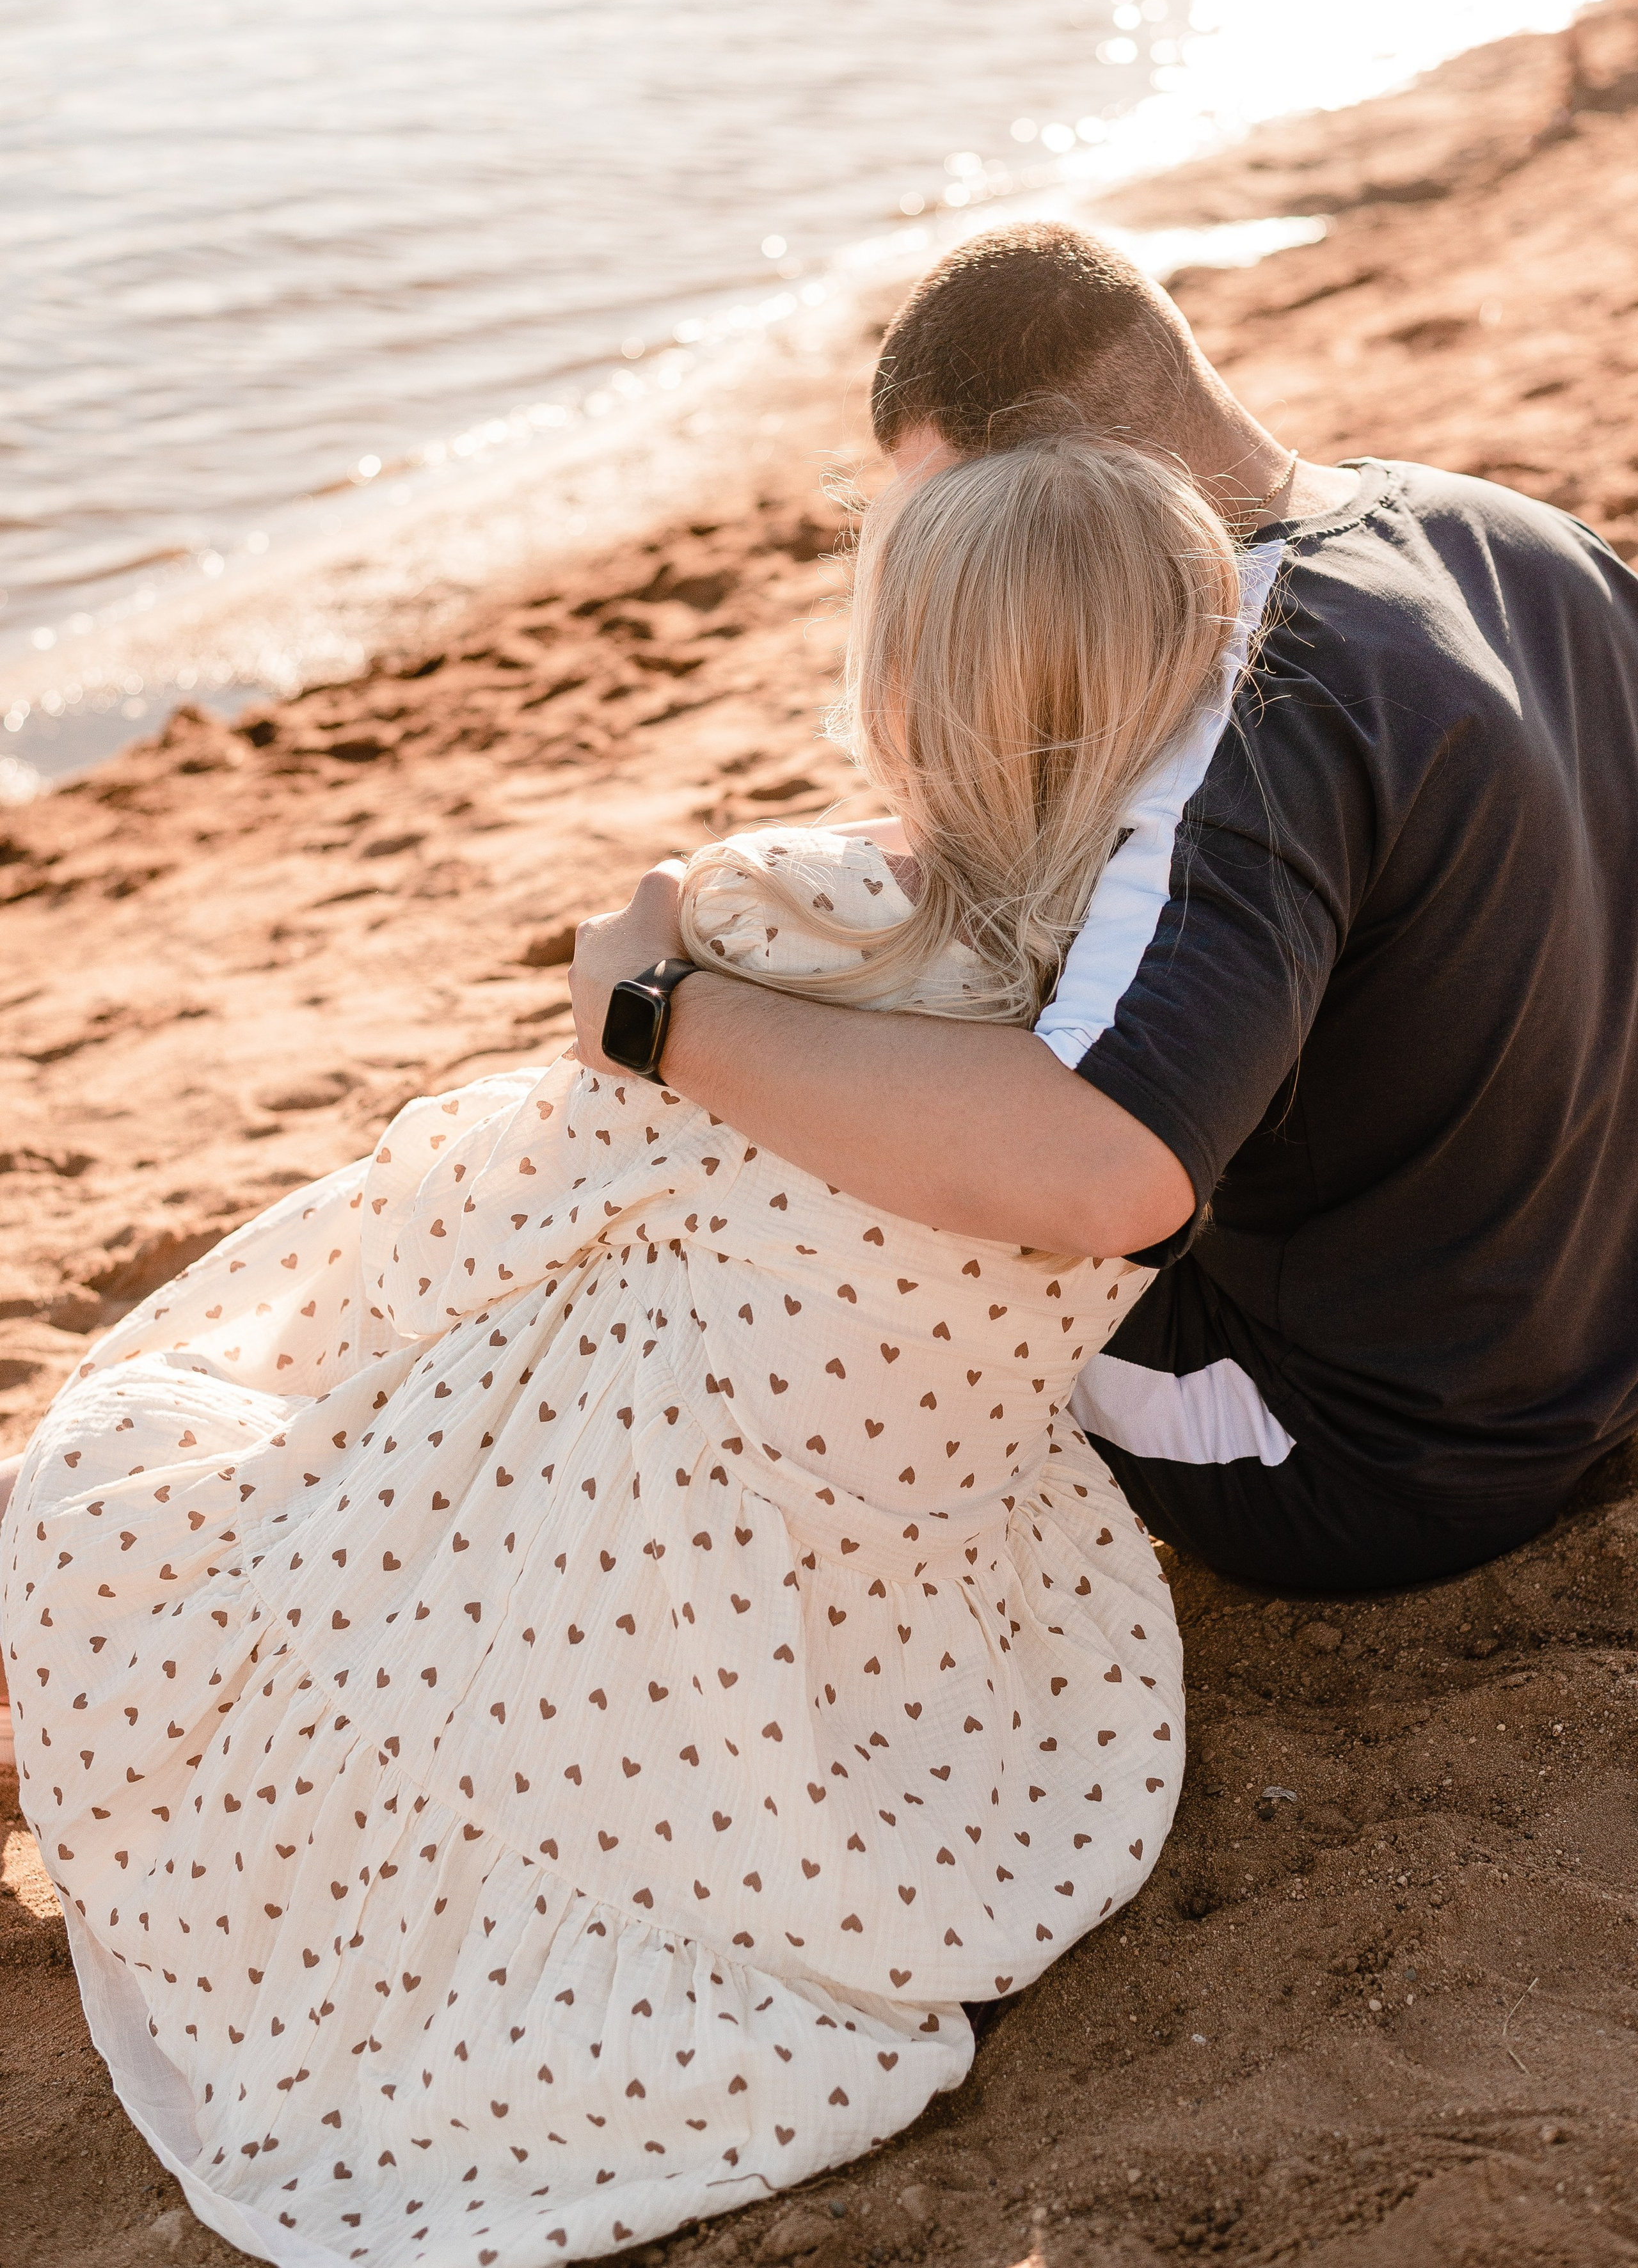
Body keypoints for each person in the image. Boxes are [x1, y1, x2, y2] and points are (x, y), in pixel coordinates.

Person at [2, 435, 1244, 2267]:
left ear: (903, 678)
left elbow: (509, 1199)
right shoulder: (1156, 1007)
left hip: (643, 1528)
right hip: (893, 1571)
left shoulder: (788, 921)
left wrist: (660, 946)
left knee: (140, 1476)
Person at [571, 221, 1638, 1598]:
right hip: (1587, 1340)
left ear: (1036, 484)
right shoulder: (1505, 535)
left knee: (767, 1190)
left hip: (1364, 1449)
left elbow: (1107, 1170)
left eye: (944, 512)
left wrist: (660, 1019)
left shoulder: (1245, 696)